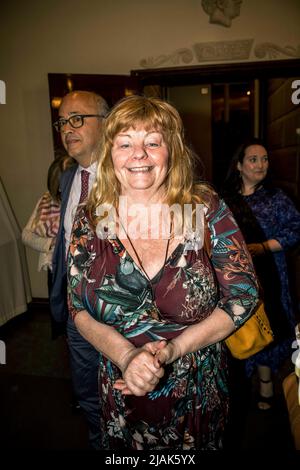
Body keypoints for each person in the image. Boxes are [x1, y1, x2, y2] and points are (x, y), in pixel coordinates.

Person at [67, 95, 258, 449]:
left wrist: (172, 349)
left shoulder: (202, 209)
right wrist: (126, 356)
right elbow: (77, 307)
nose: (138, 154)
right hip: (123, 391)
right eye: (125, 143)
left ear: (172, 150)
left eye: (152, 142)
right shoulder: (93, 219)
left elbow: (243, 297)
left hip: (197, 392)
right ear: (110, 154)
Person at [50, 90, 109, 449]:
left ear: (105, 124)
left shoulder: (129, 175)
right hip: (77, 309)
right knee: (86, 388)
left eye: (77, 119)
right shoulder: (69, 179)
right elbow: (64, 241)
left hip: (120, 313)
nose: (67, 129)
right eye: (62, 122)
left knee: (125, 389)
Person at [221, 138, 300, 410]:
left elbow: (295, 231)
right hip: (235, 276)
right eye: (253, 159)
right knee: (239, 327)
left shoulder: (276, 198)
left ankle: (266, 386)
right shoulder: (225, 198)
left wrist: (263, 247)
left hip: (271, 274)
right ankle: (240, 388)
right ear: (240, 165)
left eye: (264, 159)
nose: (260, 164)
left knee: (268, 326)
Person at [22, 154, 75, 338]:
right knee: (61, 321)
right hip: (56, 270)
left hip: (80, 272)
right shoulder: (46, 201)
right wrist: (52, 242)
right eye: (58, 189)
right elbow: (26, 235)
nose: (61, 193)